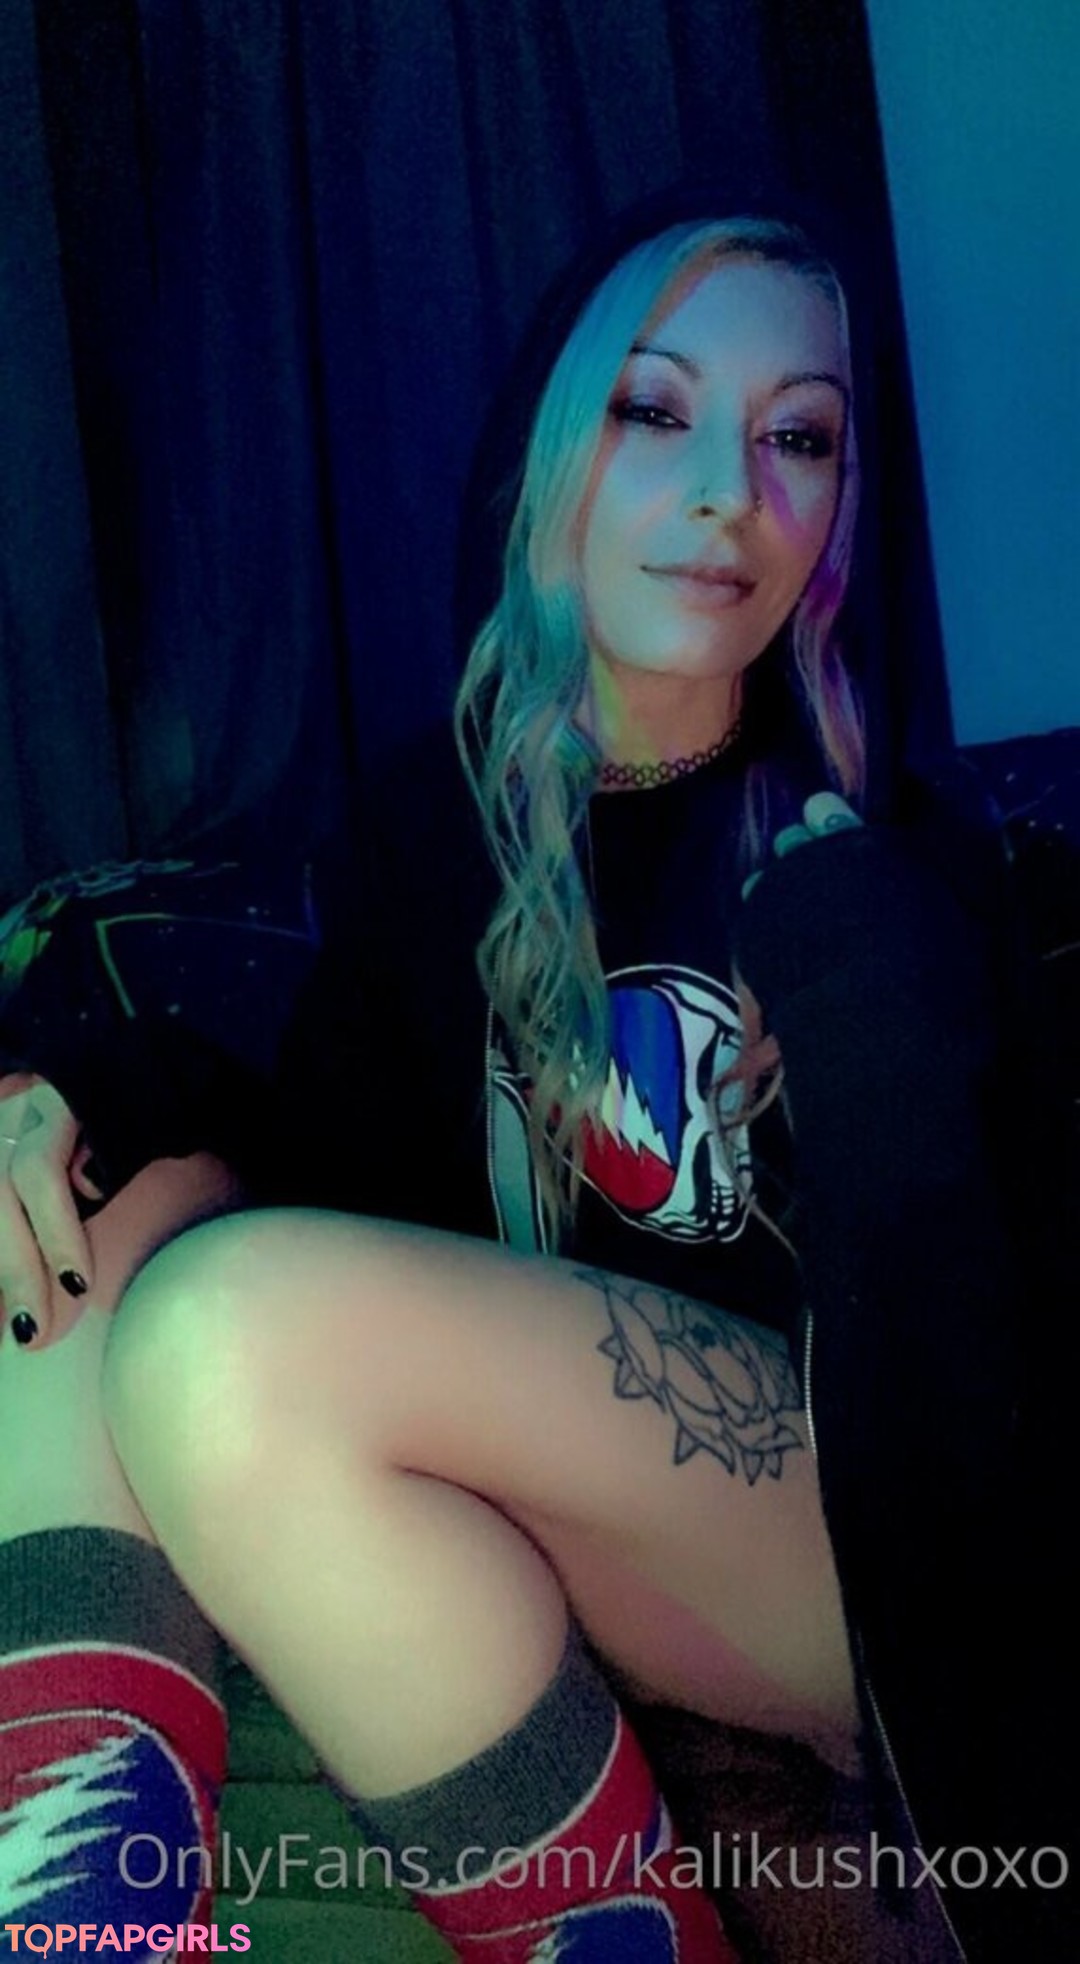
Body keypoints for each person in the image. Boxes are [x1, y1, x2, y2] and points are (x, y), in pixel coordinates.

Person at [0, 211, 1073, 1963]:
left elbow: (977, 1410)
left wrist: (866, 981)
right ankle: (76, 1923)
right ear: (555, 454)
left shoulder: (904, 854)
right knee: (57, 1222)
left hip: (870, 1555)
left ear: (840, 507)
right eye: (658, 412)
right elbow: (319, 1169)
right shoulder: (435, 834)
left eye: (799, 436)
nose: (729, 492)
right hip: (584, 1540)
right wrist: (76, 1092)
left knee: (225, 1331)